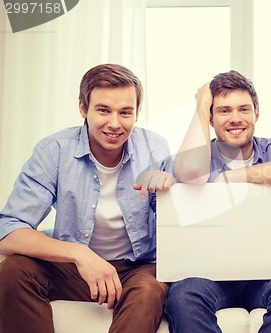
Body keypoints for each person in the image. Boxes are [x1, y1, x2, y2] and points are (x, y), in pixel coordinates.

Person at [0, 64, 175, 333]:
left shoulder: (155, 148)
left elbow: (176, 228)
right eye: (103, 110)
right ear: (83, 109)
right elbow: (8, 230)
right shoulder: (54, 151)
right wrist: (79, 254)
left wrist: (170, 190)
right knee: (13, 271)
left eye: (125, 112)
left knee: (150, 289)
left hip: (135, 268)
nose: (115, 124)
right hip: (72, 267)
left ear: (136, 113)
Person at [165, 70, 271, 333]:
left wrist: (234, 178)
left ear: (256, 114)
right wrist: (201, 105)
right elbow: (191, 172)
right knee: (183, 296)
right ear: (211, 119)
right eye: (224, 111)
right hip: (210, 278)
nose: (235, 118)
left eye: (243, 109)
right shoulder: (199, 155)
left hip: (267, 276)